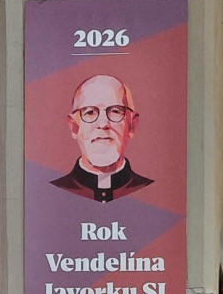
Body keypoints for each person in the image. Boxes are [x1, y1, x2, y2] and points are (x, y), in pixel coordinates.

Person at [50, 74, 153, 203]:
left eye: (115, 111)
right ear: (74, 127)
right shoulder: (51, 195)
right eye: (90, 112)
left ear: (132, 125)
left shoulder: (153, 195)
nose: (103, 123)